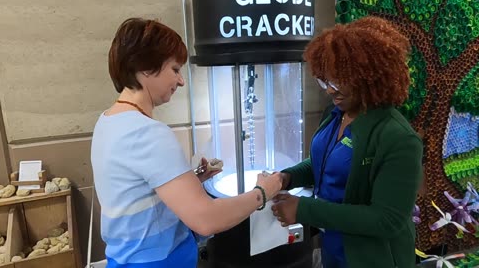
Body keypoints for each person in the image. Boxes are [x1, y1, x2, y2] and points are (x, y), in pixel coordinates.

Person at [91, 18, 282, 268]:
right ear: (146, 68)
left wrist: (190, 179)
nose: (181, 81)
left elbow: (136, 191)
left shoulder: (107, 121)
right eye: (175, 69)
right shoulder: (147, 133)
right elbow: (206, 219)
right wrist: (263, 192)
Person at [270, 16, 423, 268]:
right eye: (324, 81)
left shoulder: (398, 138)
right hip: (335, 251)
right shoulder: (336, 114)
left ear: (370, 77)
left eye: (339, 81)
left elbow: (387, 220)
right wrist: (287, 178)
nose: (330, 90)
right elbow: (326, 162)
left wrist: (303, 209)